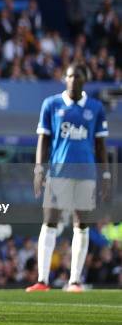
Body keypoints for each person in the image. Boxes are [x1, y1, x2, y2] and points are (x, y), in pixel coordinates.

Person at [27, 63, 110, 293]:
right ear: (65, 78)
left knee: (81, 224)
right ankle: (42, 280)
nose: (74, 79)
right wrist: (38, 169)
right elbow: (43, 139)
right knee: (49, 221)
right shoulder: (51, 104)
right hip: (58, 172)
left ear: (85, 79)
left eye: (78, 76)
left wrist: (105, 173)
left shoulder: (95, 107)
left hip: (86, 174)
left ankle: (74, 281)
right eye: (70, 75)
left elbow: (100, 144)